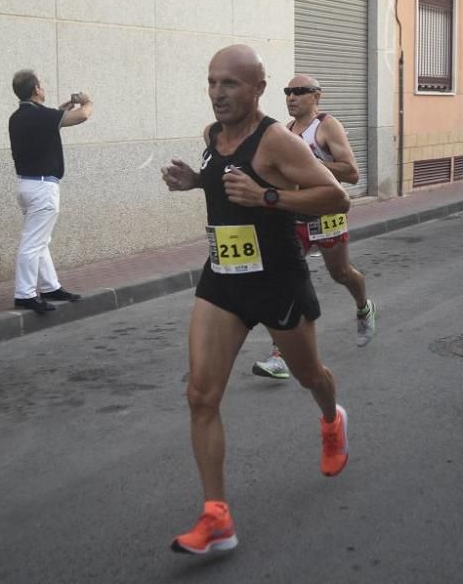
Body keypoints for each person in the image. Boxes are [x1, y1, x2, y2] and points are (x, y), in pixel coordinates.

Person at [161, 45, 350, 555]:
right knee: (201, 395)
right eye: (212, 82)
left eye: (230, 84)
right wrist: (195, 181)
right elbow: (226, 184)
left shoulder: (278, 142)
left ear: (257, 89)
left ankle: (332, 421)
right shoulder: (212, 136)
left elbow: (337, 195)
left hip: (277, 280)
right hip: (223, 276)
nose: (218, 94)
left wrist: (269, 196)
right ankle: (216, 517)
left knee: (311, 376)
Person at [252, 75, 377, 380]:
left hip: (326, 214)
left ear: (316, 96)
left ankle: (364, 307)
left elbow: (352, 173)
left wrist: (308, 165)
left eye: (299, 91)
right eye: (287, 92)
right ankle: (279, 356)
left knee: (341, 273)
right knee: (285, 279)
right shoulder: (284, 130)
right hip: (294, 214)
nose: (291, 97)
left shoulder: (326, 125)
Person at [8, 70, 92, 314]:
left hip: (26, 185)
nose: (43, 88)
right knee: (33, 243)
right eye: (41, 85)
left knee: (40, 240)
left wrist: (58, 111)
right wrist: (88, 101)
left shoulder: (18, 117)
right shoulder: (41, 116)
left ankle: (50, 286)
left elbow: (45, 123)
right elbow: (83, 116)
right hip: (42, 187)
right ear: (36, 89)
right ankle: (24, 294)